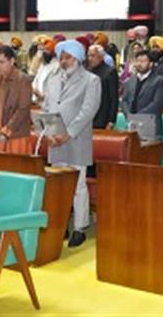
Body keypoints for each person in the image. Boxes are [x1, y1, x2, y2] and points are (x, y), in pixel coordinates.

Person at [42, 40, 101, 248]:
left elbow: (88, 110)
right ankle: (61, 225)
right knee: (58, 185)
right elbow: (47, 105)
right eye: (61, 57)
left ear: (77, 58)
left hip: (76, 139)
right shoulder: (52, 77)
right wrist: (48, 131)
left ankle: (79, 227)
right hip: (55, 139)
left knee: (78, 185)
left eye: (67, 58)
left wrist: (70, 133)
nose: (63, 61)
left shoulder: (91, 80)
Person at [0, 45, 33, 153]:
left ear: (12, 61)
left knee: (14, 168)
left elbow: (23, 110)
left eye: (2, 62)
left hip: (16, 135)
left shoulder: (23, 80)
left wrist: (6, 131)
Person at [121, 49, 163, 139]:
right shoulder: (130, 81)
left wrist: (138, 117)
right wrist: (129, 115)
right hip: (131, 125)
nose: (139, 64)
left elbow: (156, 103)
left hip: (151, 124)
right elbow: (124, 101)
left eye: (143, 61)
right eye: (137, 61)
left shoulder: (159, 80)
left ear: (151, 64)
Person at [87, 45, 119, 129]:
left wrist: (111, 120)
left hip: (103, 117)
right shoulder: (88, 71)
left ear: (101, 56)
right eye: (89, 56)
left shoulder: (110, 72)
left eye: (93, 56)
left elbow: (113, 97)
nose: (90, 58)